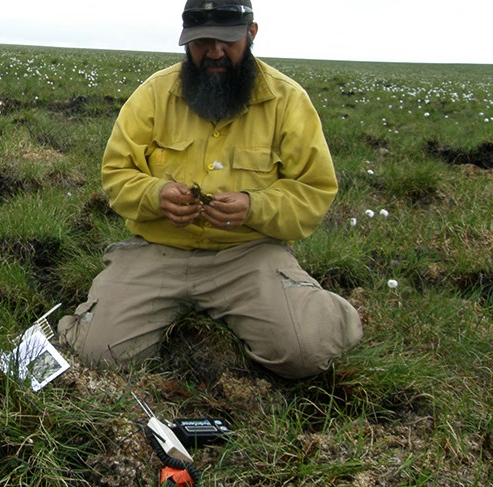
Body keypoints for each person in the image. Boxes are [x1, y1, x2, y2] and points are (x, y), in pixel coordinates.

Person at [58, 0, 362, 379]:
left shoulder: (288, 101)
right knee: (96, 354)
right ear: (186, 41)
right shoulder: (153, 95)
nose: (214, 52)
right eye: (202, 41)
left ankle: (324, 309)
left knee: (305, 351)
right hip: (159, 252)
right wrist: (156, 196)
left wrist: (254, 206)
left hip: (248, 256)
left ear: (251, 34)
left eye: (227, 40)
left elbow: (314, 191)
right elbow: (117, 172)